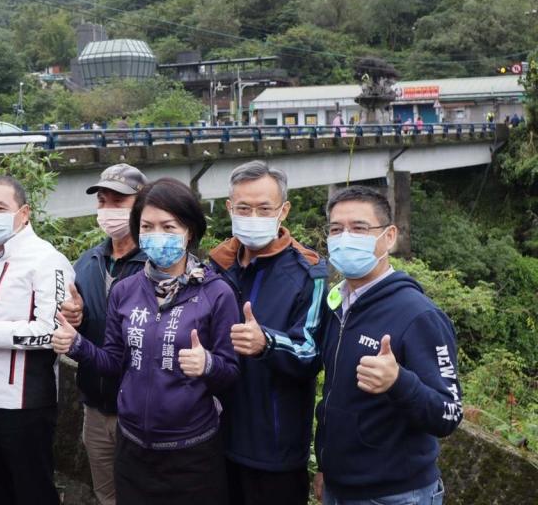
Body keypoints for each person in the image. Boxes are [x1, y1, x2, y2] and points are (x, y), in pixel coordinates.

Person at [53, 177, 240, 505]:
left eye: (169, 226)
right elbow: (113, 361)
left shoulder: (216, 292)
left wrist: (207, 364)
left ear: (190, 231)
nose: (158, 236)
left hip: (192, 451)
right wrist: (77, 345)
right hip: (133, 447)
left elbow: (230, 371)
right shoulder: (126, 290)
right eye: (148, 227)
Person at [316, 186, 462, 505]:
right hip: (339, 487)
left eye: (359, 228)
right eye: (336, 229)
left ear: (389, 236)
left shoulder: (419, 315)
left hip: (397, 494)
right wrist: (326, 468)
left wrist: (398, 381)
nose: (344, 238)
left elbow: (449, 414)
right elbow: (334, 398)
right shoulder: (337, 305)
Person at [208, 161, 328, 505]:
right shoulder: (217, 266)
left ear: (284, 211)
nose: (253, 215)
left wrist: (267, 343)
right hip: (216, 435)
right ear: (230, 208)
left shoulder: (308, 273)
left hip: (275, 448)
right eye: (243, 208)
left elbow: (311, 353)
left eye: (264, 208)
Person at [0, 175, 75, 505]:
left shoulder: (46, 260)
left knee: (32, 489)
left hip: (24, 402)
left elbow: (51, 332)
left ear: (23, 213)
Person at [59, 164, 148, 505]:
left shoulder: (157, 265)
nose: (109, 211)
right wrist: (75, 318)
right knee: (106, 494)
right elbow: (82, 327)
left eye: (119, 202)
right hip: (95, 408)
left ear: (142, 204)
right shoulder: (88, 261)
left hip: (140, 410)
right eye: (103, 202)